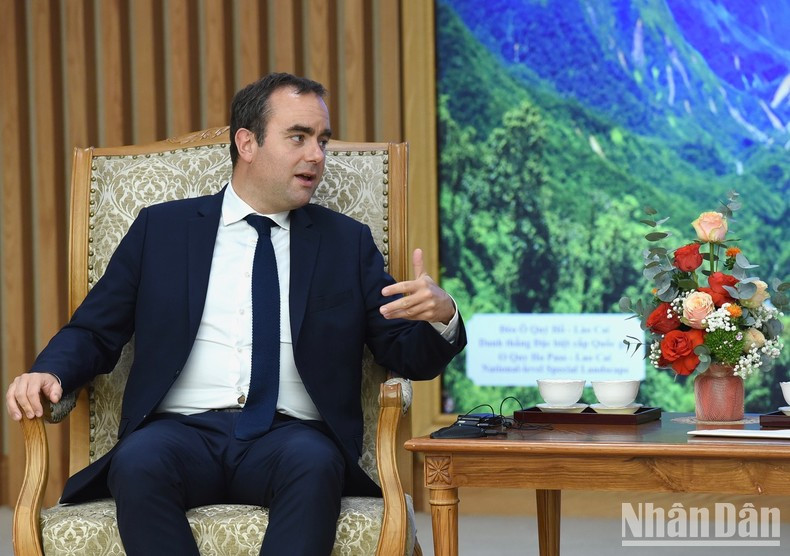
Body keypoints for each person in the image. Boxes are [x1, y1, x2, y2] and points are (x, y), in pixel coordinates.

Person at [5, 72, 466, 555]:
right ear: (247, 142)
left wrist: (441, 315)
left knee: (315, 465)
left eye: (322, 140)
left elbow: (405, 354)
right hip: (179, 432)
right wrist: (48, 371)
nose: (317, 155)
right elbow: (95, 330)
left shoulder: (345, 243)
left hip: (292, 437)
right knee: (138, 461)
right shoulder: (161, 231)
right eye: (298, 137)